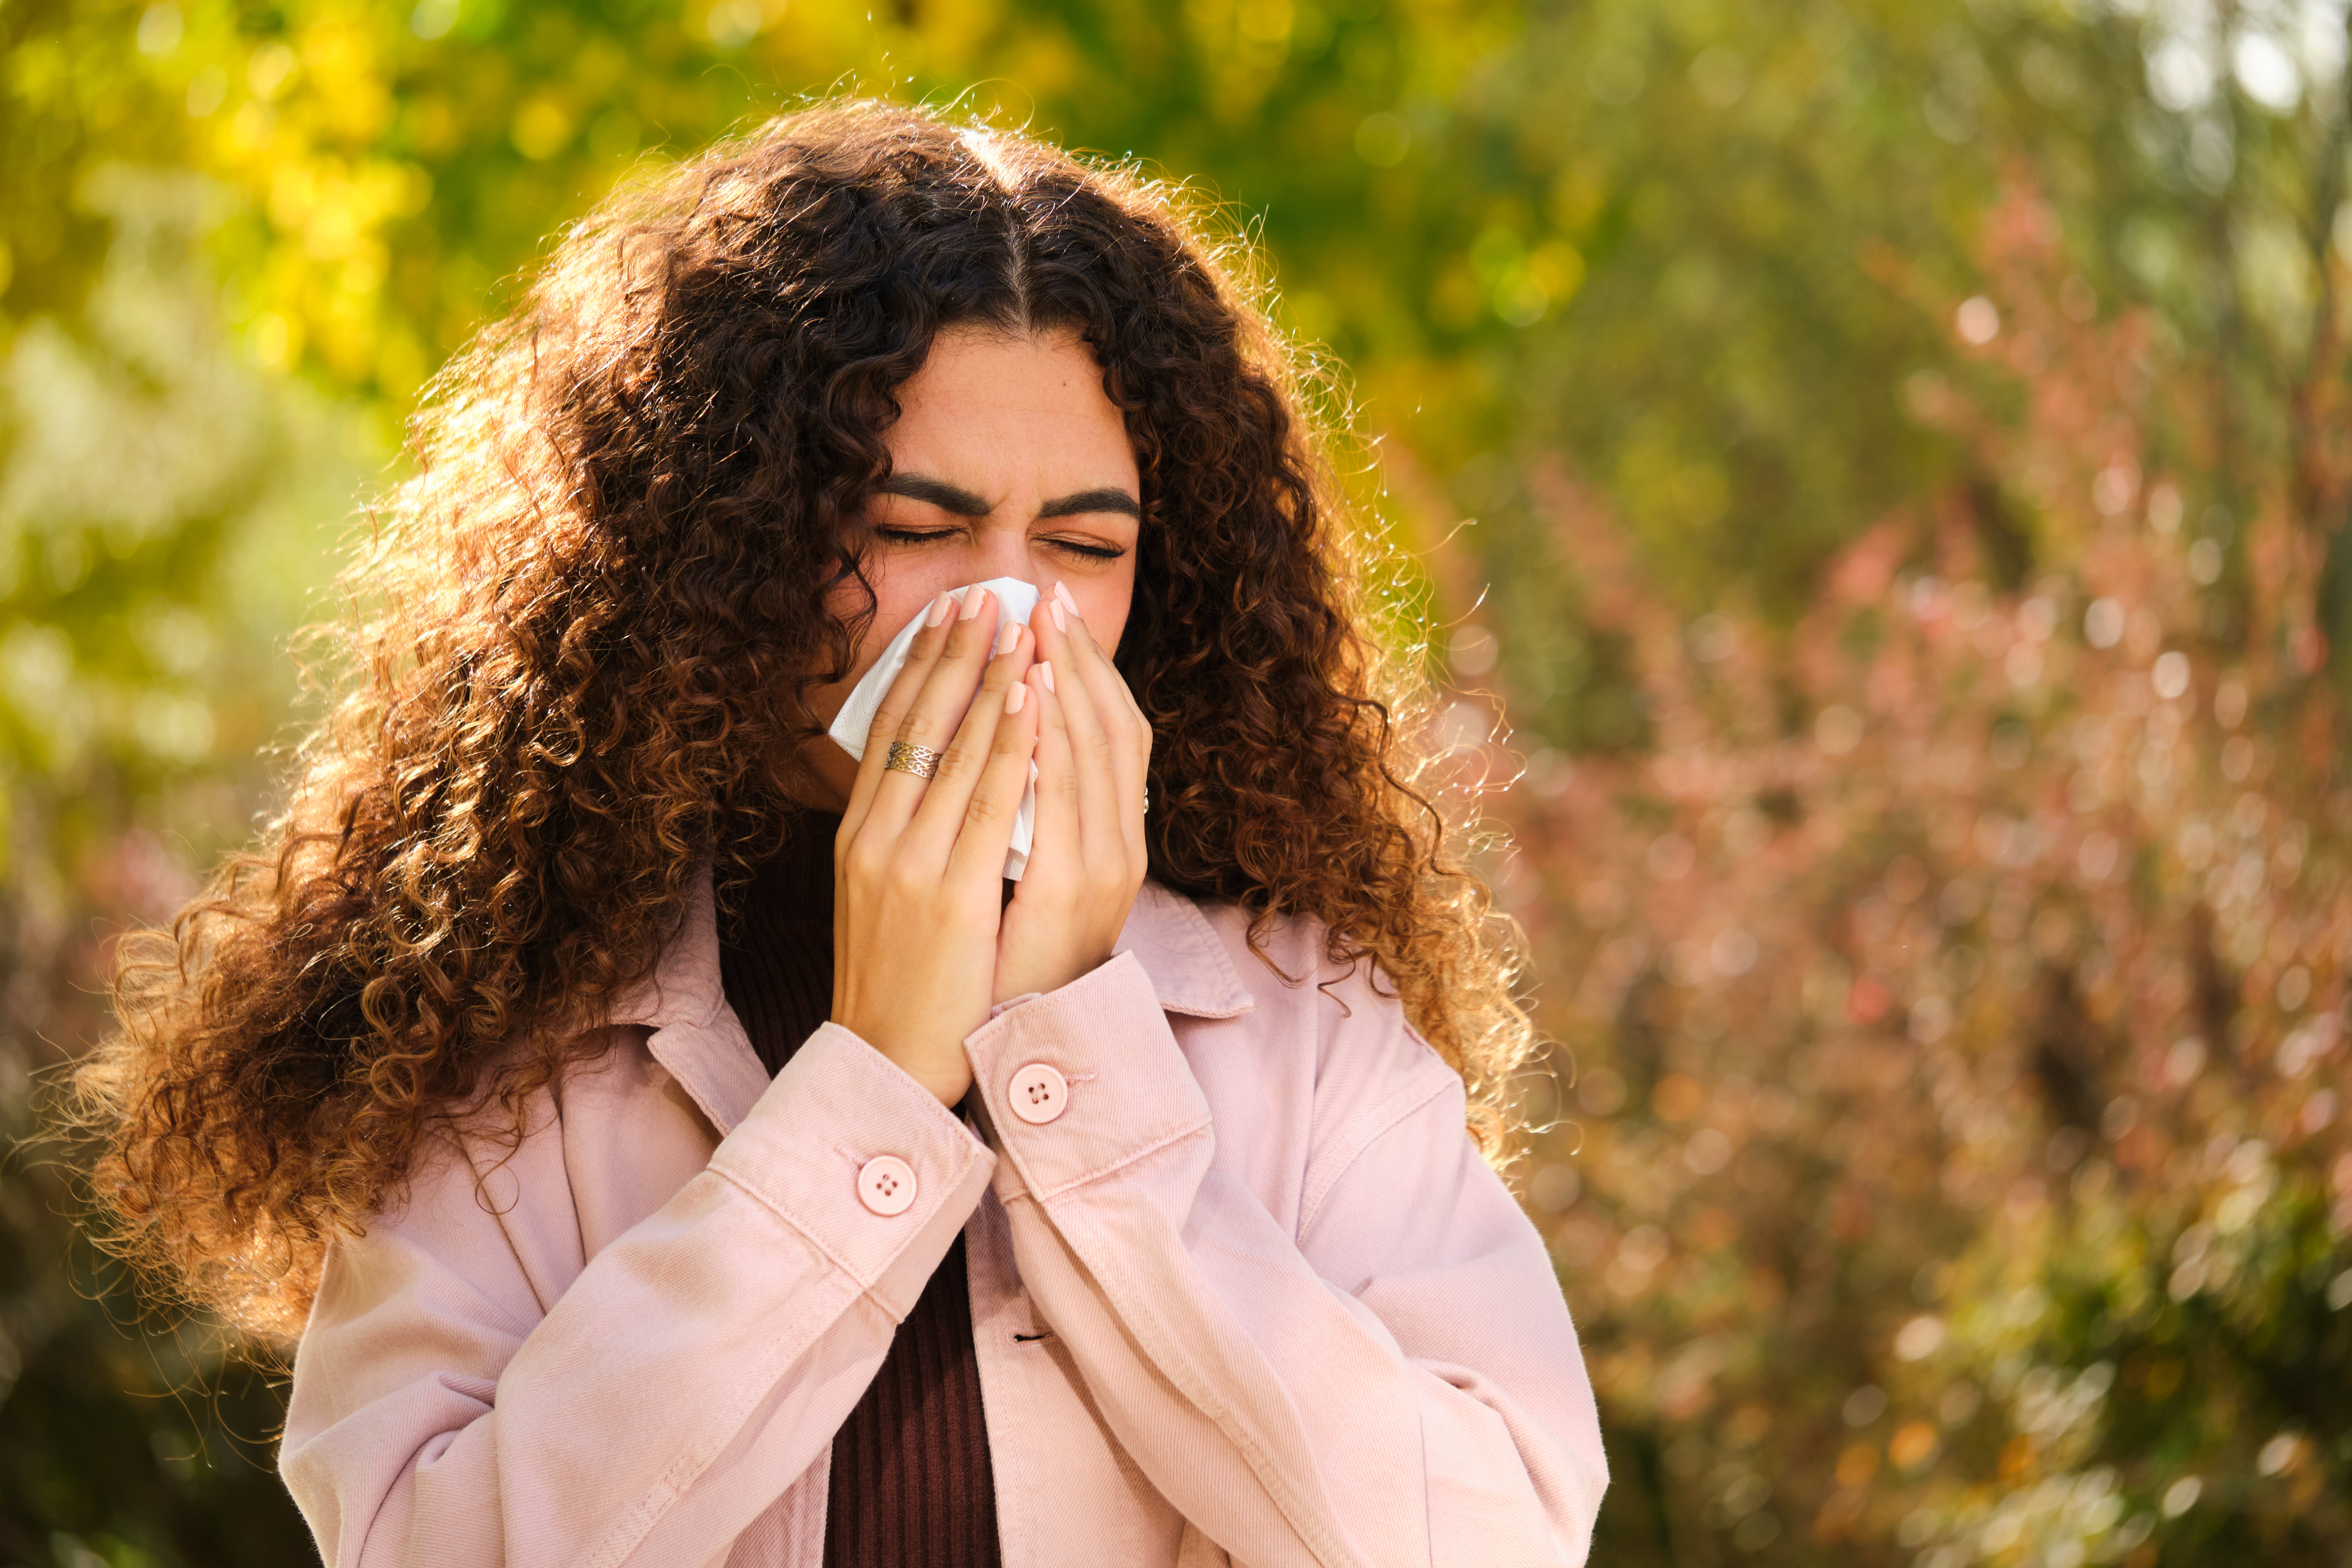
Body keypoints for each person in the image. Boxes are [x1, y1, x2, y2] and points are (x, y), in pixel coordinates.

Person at [78, 100, 1607, 1566]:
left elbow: (1497, 1534)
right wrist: (869, 1084)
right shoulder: (510, 1051)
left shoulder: (1302, 1023)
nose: (1008, 611)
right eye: (918, 528)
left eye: (1085, 544)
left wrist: (1079, 1054)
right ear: (729, 542)